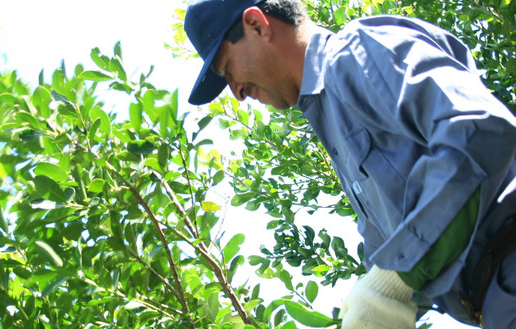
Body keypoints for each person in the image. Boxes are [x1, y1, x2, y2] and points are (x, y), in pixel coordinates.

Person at [184, 0, 516, 328]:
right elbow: (390, 278)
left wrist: (397, 277)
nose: (236, 93)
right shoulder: (334, 128)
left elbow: (478, 129)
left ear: (257, 24)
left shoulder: (357, 51)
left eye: (227, 68)